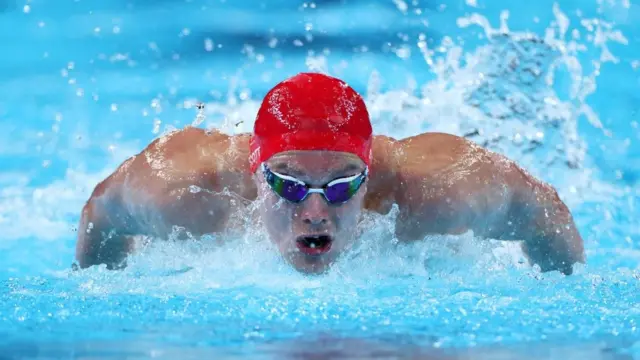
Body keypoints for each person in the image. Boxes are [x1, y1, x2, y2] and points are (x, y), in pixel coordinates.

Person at [75, 72, 585, 275]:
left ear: (370, 175)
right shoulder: (180, 188)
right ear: (255, 172)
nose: (315, 212)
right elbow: (101, 212)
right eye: (288, 184)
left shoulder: (439, 193)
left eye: (342, 186)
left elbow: (543, 211)